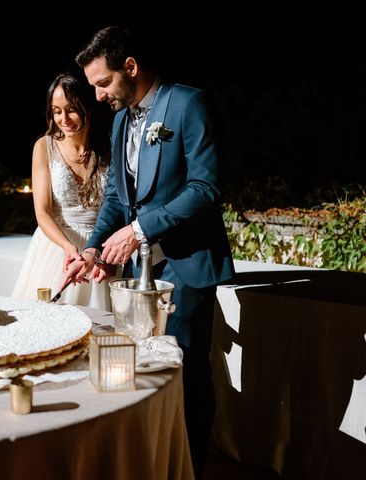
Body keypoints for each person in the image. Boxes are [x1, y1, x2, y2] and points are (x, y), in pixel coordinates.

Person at [65, 26, 235, 476]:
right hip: (135, 279)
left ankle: (190, 468)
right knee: (141, 371)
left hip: (188, 264)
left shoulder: (188, 103)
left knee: (181, 375)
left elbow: (206, 188)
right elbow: (118, 200)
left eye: (103, 83)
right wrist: (94, 250)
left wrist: (139, 230)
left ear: (131, 67)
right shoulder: (122, 120)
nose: (98, 96)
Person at [12, 73, 114, 310]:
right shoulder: (43, 147)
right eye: (56, 111)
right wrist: (69, 248)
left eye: (71, 110)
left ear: (88, 106)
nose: (63, 118)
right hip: (57, 248)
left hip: (101, 249)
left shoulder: (109, 147)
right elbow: (43, 212)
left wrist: (101, 253)